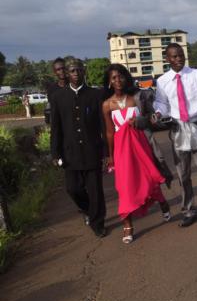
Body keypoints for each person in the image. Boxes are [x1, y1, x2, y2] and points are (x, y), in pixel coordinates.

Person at [154, 43, 197, 227]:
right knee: (183, 174)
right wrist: (159, 113)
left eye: (181, 55)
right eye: (174, 56)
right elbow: (161, 103)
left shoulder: (196, 74)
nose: (178, 59)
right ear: (167, 59)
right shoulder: (162, 82)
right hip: (178, 129)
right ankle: (189, 210)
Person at [102, 64, 171, 244]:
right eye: (114, 77)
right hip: (122, 150)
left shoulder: (138, 98)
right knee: (124, 188)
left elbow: (153, 119)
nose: (118, 80)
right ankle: (128, 226)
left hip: (141, 145)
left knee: (149, 179)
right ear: (109, 81)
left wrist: (141, 120)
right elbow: (110, 132)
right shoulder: (107, 105)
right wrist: (110, 156)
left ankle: (163, 203)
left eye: (121, 76)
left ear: (126, 78)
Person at [50, 58, 107, 237]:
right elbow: (56, 127)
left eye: (79, 70)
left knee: (96, 191)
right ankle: (88, 211)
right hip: (70, 153)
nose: (76, 74)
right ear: (66, 73)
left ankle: (98, 223)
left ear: (84, 72)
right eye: (72, 71)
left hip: (92, 151)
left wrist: (106, 152)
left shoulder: (95, 95)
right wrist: (55, 152)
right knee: (72, 189)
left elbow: (103, 126)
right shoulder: (58, 97)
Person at [45, 57, 67, 124]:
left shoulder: (74, 86)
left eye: (63, 68)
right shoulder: (51, 89)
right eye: (58, 69)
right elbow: (51, 109)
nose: (61, 71)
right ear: (55, 72)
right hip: (59, 123)